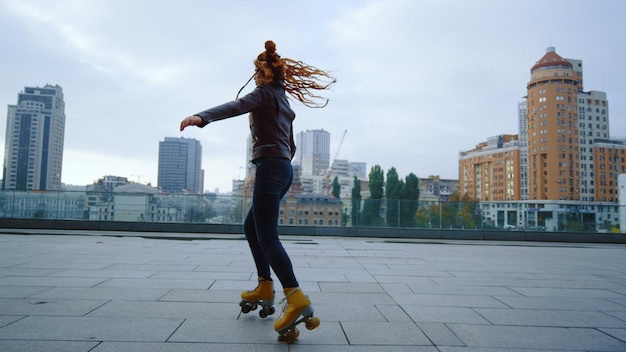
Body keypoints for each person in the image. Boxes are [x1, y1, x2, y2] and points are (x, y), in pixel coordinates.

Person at [180, 40, 335, 342]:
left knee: (267, 236)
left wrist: (202, 117)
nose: (254, 77)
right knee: (252, 227)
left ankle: (296, 298)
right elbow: (290, 144)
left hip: (270, 168)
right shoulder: (283, 100)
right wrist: (280, 162)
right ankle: (265, 285)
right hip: (284, 169)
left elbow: (237, 106)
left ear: (263, 73)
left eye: (256, 72)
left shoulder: (264, 94)